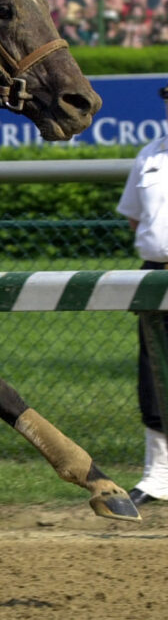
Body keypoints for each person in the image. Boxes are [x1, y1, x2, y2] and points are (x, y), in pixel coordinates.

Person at [115, 82, 168, 506]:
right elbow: (135, 219)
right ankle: (159, 477)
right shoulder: (149, 155)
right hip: (154, 277)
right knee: (154, 378)